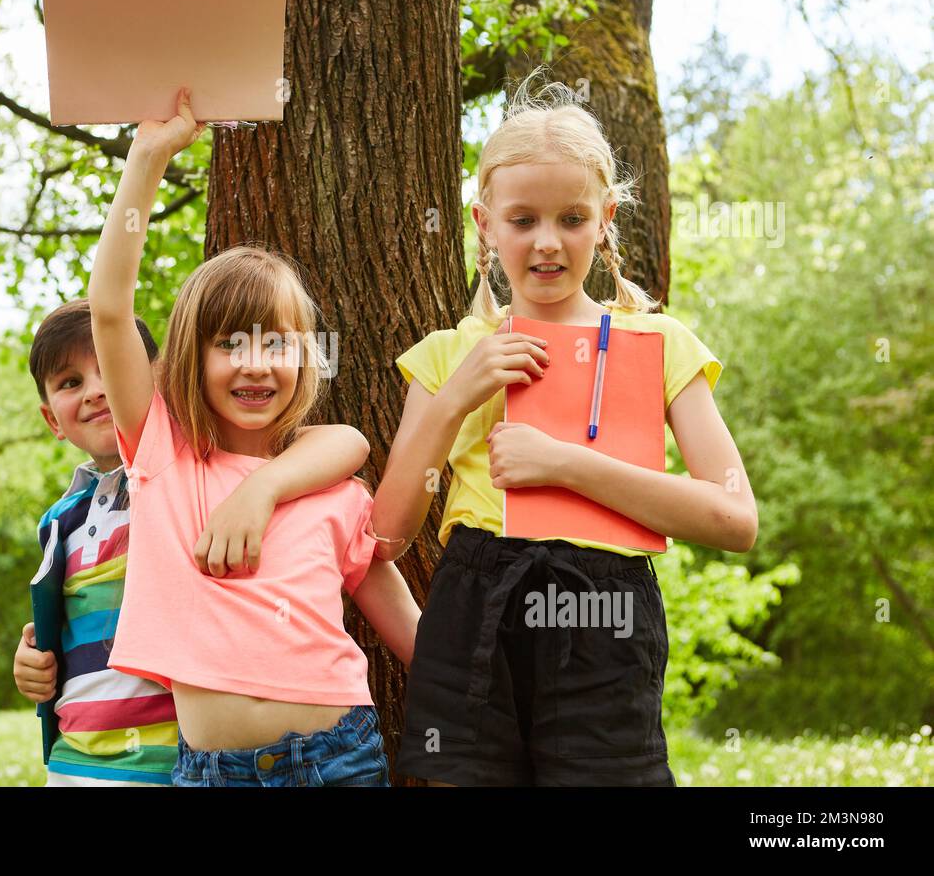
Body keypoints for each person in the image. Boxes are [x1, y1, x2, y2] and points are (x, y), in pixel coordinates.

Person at [372, 76, 758, 786]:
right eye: (522, 221)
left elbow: (735, 518)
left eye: (572, 219)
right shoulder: (449, 356)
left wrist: (564, 464)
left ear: (606, 218)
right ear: (485, 224)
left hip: (604, 611)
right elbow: (387, 535)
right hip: (472, 614)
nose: (547, 243)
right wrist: (457, 396)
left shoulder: (659, 342)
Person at [90, 89, 421, 786]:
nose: (254, 361)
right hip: (215, 771)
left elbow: (416, 638)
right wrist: (148, 155)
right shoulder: (164, 454)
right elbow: (111, 310)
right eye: (229, 343)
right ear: (191, 359)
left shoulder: (331, 486)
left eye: (276, 342)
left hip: (342, 757)